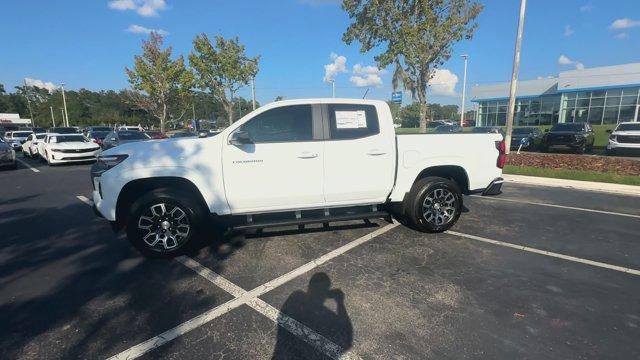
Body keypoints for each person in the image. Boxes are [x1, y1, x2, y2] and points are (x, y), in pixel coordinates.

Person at [272, 272, 353, 359]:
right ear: (326, 293)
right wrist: (340, 302)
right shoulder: (325, 317)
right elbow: (347, 336)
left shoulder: (296, 298)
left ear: (309, 287)